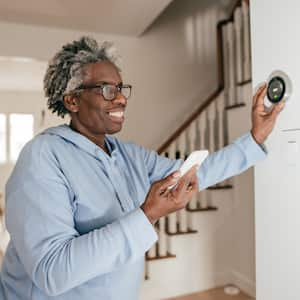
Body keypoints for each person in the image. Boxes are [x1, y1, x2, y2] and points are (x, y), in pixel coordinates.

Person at [0, 36, 283, 300]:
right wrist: (149, 214)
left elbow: (192, 172)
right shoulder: (43, 157)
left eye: (121, 89)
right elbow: (53, 271)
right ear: (72, 100)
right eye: (108, 90)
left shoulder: (128, 154)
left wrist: (255, 137)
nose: (121, 98)